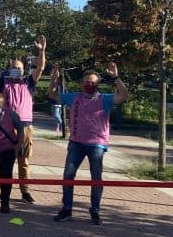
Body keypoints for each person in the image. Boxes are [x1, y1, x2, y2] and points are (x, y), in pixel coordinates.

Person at [47, 61, 128, 224]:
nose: (89, 85)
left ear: (97, 84)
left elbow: (123, 96)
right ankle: (67, 209)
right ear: (81, 83)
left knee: (96, 177)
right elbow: (53, 96)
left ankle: (95, 210)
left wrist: (116, 77)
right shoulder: (74, 97)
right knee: (68, 175)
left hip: (96, 144)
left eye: (92, 82)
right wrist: (53, 81)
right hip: (76, 143)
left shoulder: (104, 99)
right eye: (86, 82)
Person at [0, 34, 46, 203]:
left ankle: (25, 191)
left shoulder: (28, 82)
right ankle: (4, 190)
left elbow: (40, 68)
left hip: (25, 127)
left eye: (19, 68)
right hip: (6, 127)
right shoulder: (4, 82)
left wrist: (41, 51)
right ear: (9, 69)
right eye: (14, 67)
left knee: (24, 161)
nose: (17, 70)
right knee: (6, 162)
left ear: (23, 70)